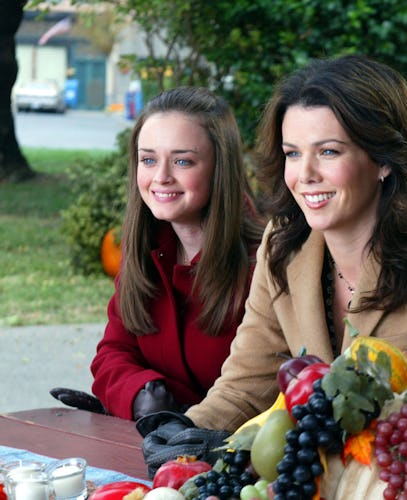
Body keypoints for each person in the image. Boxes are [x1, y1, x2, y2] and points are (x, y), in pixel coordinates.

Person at [137, 54, 407, 474]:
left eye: (328, 152)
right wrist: (188, 432)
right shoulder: (283, 244)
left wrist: (288, 446)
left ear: (383, 160)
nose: (304, 174)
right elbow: (246, 383)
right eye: (293, 153)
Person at [51, 86, 265, 421]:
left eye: (182, 161)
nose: (161, 177)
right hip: (151, 449)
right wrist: (141, 393)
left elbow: (258, 389)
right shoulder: (146, 250)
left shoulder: (263, 263)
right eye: (148, 160)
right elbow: (113, 353)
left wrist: (177, 414)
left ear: (219, 168)